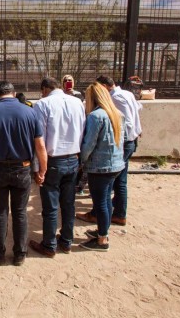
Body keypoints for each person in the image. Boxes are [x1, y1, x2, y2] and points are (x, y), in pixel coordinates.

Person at [0, 81, 47, 266]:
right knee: (20, 212)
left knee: (0, 213)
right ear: (13, 94)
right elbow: (40, 146)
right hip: (22, 168)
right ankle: (20, 254)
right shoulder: (30, 112)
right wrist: (42, 170)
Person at [28, 78, 85, 257]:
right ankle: (66, 241)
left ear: (44, 89)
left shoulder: (42, 104)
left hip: (52, 161)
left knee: (51, 206)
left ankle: (49, 245)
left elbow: (39, 140)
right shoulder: (77, 102)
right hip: (73, 158)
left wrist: (38, 169)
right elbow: (83, 131)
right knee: (68, 204)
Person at [76, 76, 142, 226]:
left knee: (103, 194)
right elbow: (135, 114)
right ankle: (117, 216)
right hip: (125, 147)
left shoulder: (109, 104)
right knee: (117, 185)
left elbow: (90, 143)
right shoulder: (127, 95)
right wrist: (137, 131)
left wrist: (82, 161)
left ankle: (102, 226)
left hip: (113, 153)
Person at [78, 82, 125, 252]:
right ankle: (102, 231)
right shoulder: (117, 114)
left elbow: (89, 144)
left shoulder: (95, 116)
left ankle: (102, 240)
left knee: (100, 203)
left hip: (100, 167)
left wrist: (81, 162)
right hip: (115, 164)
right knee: (105, 200)